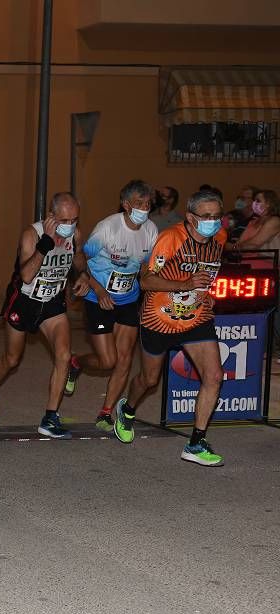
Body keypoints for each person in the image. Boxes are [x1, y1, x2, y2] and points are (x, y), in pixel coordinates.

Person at [113, 189, 227, 466]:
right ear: (191, 217)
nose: (214, 222)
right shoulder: (171, 239)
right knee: (149, 380)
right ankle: (127, 410)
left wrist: (201, 293)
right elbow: (147, 281)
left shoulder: (220, 238)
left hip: (197, 318)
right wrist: (185, 285)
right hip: (159, 320)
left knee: (214, 376)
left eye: (217, 216)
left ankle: (196, 442)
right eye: (207, 216)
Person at [0, 192, 91, 438]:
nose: (70, 225)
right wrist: (46, 244)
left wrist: (83, 275)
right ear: (51, 216)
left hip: (52, 301)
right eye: (64, 220)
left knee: (63, 356)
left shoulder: (76, 234)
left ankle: (50, 417)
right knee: (11, 359)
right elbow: (27, 274)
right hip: (25, 301)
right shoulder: (32, 234)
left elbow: (80, 259)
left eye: (74, 219)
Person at [67, 180, 158, 431]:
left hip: (128, 298)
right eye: (139, 204)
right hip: (98, 297)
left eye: (148, 204)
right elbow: (81, 261)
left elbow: (145, 268)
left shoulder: (151, 230)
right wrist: (98, 289)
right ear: (126, 205)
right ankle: (76, 363)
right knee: (107, 360)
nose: (145, 209)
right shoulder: (107, 229)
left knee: (124, 359)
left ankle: (106, 412)